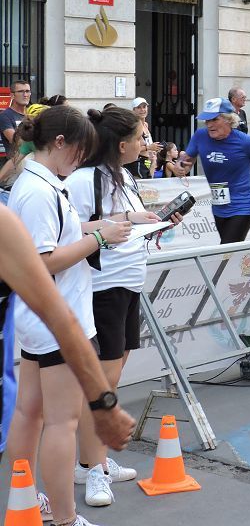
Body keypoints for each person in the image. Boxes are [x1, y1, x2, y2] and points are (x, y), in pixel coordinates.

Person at [5, 106, 135, 526]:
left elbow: (54, 239)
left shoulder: (38, 182)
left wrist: (101, 227)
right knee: (61, 422)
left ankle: (25, 496)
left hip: (39, 318)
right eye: (81, 151)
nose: (82, 160)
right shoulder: (40, 189)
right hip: (55, 318)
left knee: (32, 413)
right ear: (59, 143)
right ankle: (65, 517)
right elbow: (44, 261)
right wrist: (98, 237)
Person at [67, 108, 173, 508]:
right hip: (103, 287)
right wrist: (115, 224)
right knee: (102, 385)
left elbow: (116, 221)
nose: (147, 144)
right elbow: (71, 227)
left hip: (129, 283)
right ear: (121, 144)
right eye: (141, 137)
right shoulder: (82, 179)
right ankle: (93, 471)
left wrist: (146, 220)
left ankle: (91, 462)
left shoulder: (124, 174)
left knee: (114, 373)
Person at [179, 98, 250, 244]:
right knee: (228, 252)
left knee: (226, 250)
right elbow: (187, 161)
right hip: (219, 206)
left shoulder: (246, 142)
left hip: (242, 206)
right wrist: (181, 166)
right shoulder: (200, 136)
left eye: (214, 119)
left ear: (228, 119)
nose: (210, 125)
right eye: (207, 121)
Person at [126, 98, 160, 179]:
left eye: (144, 107)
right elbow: (130, 148)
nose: (142, 110)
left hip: (147, 161)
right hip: (137, 162)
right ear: (133, 110)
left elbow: (148, 143)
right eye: (139, 107)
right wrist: (149, 147)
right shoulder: (134, 126)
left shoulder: (145, 125)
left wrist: (154, 149)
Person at [0, 79, 30, 159]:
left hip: (33, 164)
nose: (25, 95)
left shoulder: (31, 114)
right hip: (16, 164)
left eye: (27, 91)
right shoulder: (5, 115)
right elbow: (16, 141)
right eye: (21, 91)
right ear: (12, 95)